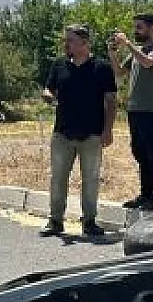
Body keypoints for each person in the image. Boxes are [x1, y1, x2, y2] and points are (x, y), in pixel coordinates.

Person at [40, 24, 117, 237]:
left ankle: (89, 221)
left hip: (91, 133)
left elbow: (111, 101)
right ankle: (55, 220)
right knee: (58, 178)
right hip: (62, 132)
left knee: (91, 179)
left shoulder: (101, 67)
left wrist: (108, 130)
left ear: (85, 43)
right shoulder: (59, 65)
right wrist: (47, 95)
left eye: (71, 40)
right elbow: (49, 87)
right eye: (66, 40)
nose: (66, 44)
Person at [111, 12, 153, 212]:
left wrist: (127, 43)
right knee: (140, 153)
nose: (136, 31)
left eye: (140, 27)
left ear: (152, 29)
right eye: (135, 27)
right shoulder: (137, 52)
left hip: (151, 110)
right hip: (134, 109)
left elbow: (147, 62)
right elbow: (119, 72)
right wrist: (112, 52)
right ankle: (146, 195)